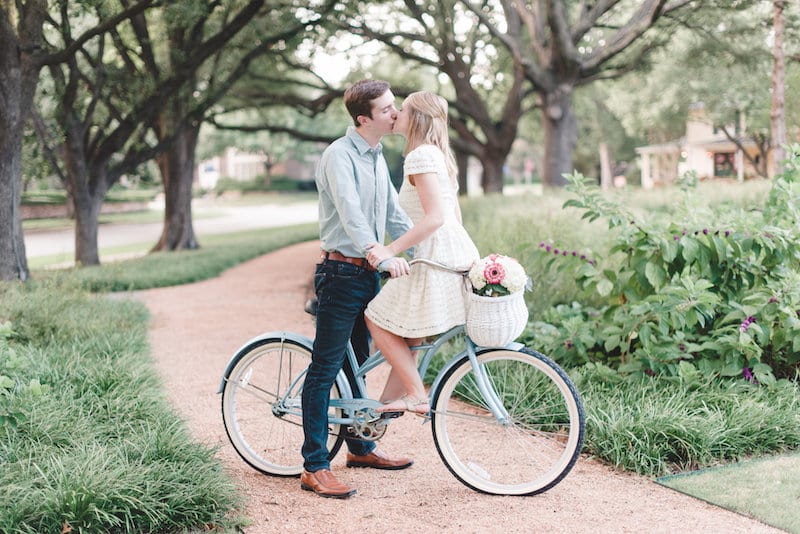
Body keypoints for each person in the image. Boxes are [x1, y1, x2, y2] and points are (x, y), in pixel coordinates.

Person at [300, 79, 415, 500]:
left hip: (367, 273)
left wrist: (425, 254)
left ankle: (360, 448)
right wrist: (378, 254)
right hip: (341, 272)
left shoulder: (376, 156)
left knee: (356, 365)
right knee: (325, 368)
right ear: (363, 118)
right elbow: (351, 215)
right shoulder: (338, 155)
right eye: (387, 108)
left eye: (394, 106)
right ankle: (314, 464)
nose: (395, 113)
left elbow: (395, 216)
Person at [364, 91, 480, 415]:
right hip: (451, 252)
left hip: (431, 256)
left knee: (376, 320)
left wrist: (390, 250)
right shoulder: (439, 155)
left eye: (402, 109)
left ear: (415, 117)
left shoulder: (419, 157)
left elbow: (436, 218)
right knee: (412, 337)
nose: (396, 113)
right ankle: (377, 421)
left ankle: (416, 394)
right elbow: (454, 216)